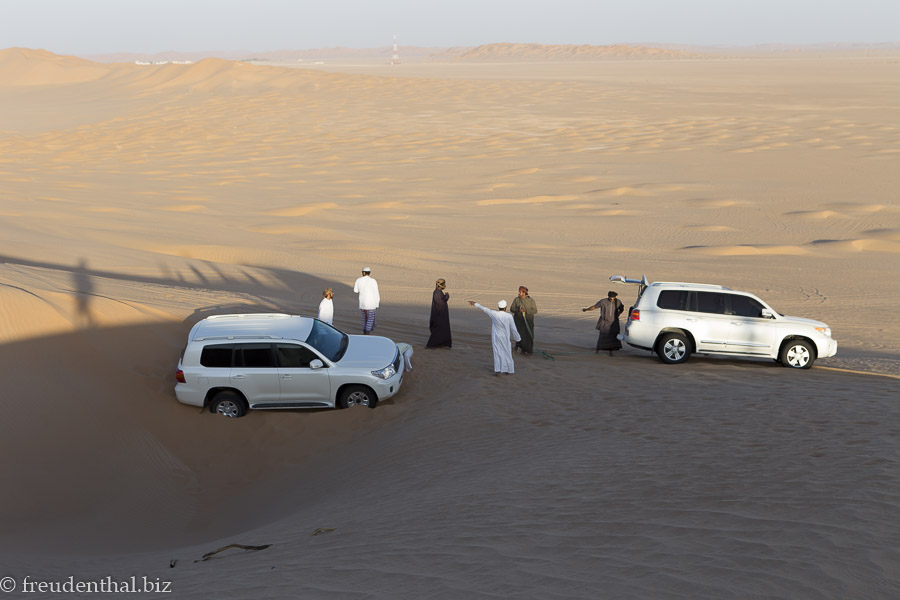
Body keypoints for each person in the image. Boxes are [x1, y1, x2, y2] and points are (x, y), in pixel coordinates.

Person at [468, 299, 521, 376]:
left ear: (498, 307)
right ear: (505, 307)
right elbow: (513, 329)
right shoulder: (509, 316)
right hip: (505, 337)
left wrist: (475, 304)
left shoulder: (494, 313)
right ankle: (508, 371)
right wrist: (517, 339)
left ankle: (498, 371)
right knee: (507, 353)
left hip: (496, 337)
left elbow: (485, 309)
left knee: (497, 353)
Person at [583, 290, 625, 356]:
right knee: (603, 336)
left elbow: (622, 309)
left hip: (614, 323)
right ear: (608, 297)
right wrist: (586, 309)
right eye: (611, 299)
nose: (612, 300)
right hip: (604, 322)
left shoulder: (618, 302)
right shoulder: (603, 301)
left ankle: (611, 351)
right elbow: (594, 306)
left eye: (613, 299)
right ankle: (598, 350)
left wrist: (618, 314)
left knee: (613, 336)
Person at [509, 285, 538, 355]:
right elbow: (511, 309)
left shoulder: (531, 300)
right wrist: (518, 310)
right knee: (519, 334)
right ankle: (520, 347)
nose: (518, 293)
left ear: (524, 292)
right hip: (518, 321)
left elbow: (535, 310)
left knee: (528, 335)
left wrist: (526, 311)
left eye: (520, 292)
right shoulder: (516, 300)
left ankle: (528, 350)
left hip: (528, 321)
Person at [426, 278, 452, 348]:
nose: (444, 285)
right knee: (438, 330)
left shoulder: (439, 292)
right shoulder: (436, 293)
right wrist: (446, 297)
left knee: (444, 330)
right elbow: (440, 303)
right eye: (443, 284)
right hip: (438, 315)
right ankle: (431, 345)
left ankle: (443, 344)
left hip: (442, 315)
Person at [353, 267, 380, 335]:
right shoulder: (373, 281)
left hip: (362, 304)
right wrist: (377, 304)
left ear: (363, 273)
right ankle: (367, 335)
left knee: (364, 319)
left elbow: (355, 290)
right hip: (371, 304)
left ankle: (364, 333)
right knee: (370, 320)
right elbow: (376, 293)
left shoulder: (358, 280)